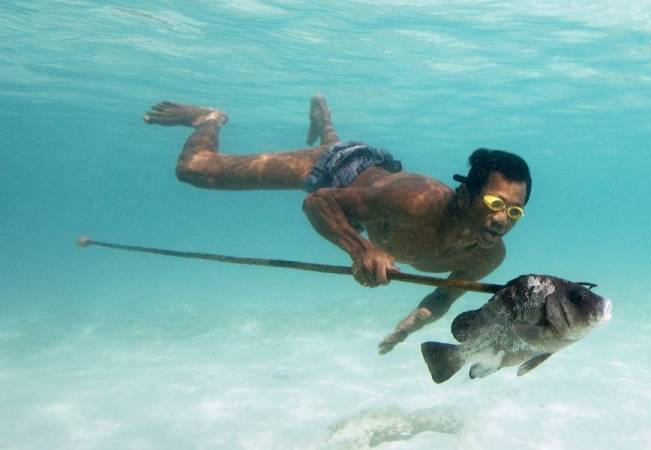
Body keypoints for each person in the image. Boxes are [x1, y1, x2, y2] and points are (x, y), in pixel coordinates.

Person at [143, 94, 532, 354]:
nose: (502, 220)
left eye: (514, 211)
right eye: (495, 203)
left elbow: (443, 297)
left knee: (362, 193)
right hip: (337, 168)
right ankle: (210, 118)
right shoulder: (414, 201)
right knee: (196, 172)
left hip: (373, 189)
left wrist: (405, 328)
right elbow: (320, 201)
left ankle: (323, 118)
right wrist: (361, 249)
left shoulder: (487, 258)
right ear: (464, 194)